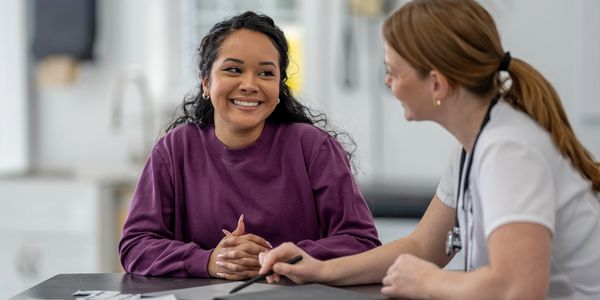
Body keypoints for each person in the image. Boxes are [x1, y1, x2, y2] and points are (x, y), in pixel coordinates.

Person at [258, 0, 600, 298]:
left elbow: (518, 288)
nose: (388, 82)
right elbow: (424, 247)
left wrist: (430, 283)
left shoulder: (508, 150)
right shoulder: (474, 144)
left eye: (393, 71)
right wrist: (320, 270)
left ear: (436, 83)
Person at [118, 11, 381, 280]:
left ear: (280, 87)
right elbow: (135, 245)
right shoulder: (174, 150)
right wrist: (208, 260)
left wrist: (276, 258)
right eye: (233, 69)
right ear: (206, 82)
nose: (249, 85)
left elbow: (361, 242)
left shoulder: (314, 148)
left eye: (266, 73)